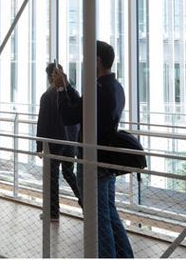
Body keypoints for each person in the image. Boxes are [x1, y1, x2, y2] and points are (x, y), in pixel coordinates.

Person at [54, 41, 133, 258]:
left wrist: (60, 88)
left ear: (97, 60)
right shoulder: (115, 87)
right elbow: (84, 109)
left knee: (98, 219)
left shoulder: (97, 89)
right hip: (107, 159)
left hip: (92, 161)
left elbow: (69, 116)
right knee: (109, 214)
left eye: (88, 57)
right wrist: (68, 87)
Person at [36, 63, 81, 223]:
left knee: (52, 177)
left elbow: (42, 123)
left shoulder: (47, 96)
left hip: (54, 143)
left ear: (49, 78)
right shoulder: (71, 93)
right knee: (69, 174)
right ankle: (86, 204)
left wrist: (39, 146)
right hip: (70, 142)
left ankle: (53, 212)